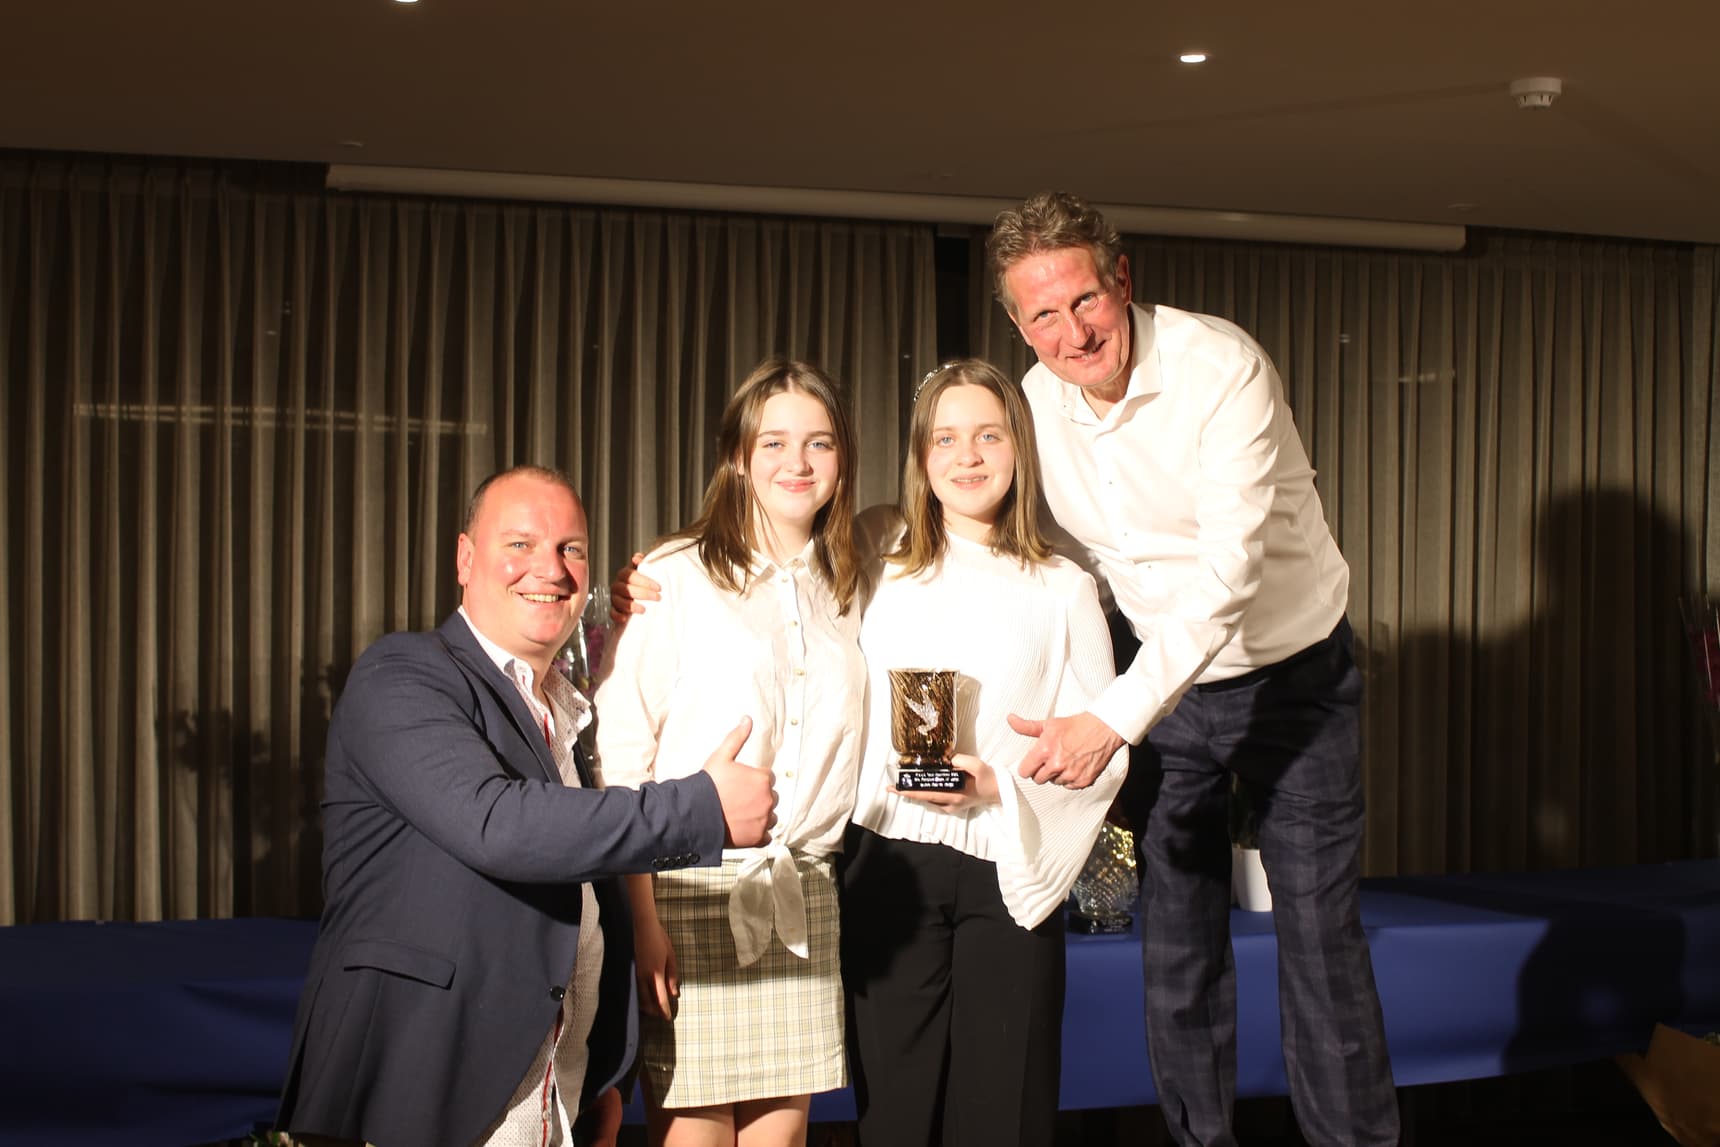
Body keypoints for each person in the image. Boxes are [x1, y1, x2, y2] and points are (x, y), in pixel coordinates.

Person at [986, 192, 1400, 1147]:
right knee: (1175, 948)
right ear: (1018, 323)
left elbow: (1227, 576)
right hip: (1167, 690)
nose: (1072, 333)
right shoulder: (1033, 403)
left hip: (1295, 678)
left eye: (1085, 300)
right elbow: (1019, 545)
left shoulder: (1221, 366)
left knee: (1319, 943)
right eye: (1043, 314)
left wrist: (1111, 716)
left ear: (1122, 280)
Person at [276, 466, 777, 1147]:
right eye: (520, 544)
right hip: (415, 1097)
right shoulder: (403, 675)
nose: (551, 568)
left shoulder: (569, 717)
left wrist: (595, 1080)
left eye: (572, 549)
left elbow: (581, 890)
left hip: (551, 1105)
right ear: (464, 559)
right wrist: (702, 810)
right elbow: (499, 824)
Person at [840, 359, 1126, 1147]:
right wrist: (654, 577)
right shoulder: (872, 553)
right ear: (920, 455)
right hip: (886, 865)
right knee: (895, 1119)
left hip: (1012, 869)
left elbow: (1105, 745)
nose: (967, 455)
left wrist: (1001, 783)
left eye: (989, 435)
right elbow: (766, 583)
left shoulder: (1065, 585)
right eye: (945, 437)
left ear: (1019, 448)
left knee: (1006, 1117)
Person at [591, 358, 866, 1147]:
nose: (797, 462)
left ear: (843, 457)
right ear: (739, 456)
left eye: (819, 442)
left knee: (781, 1140)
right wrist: (643, 919)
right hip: (686, 891)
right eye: (773, 441)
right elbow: (622, 753)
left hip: (804, 892)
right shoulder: (672, 575)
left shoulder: (854, 580)